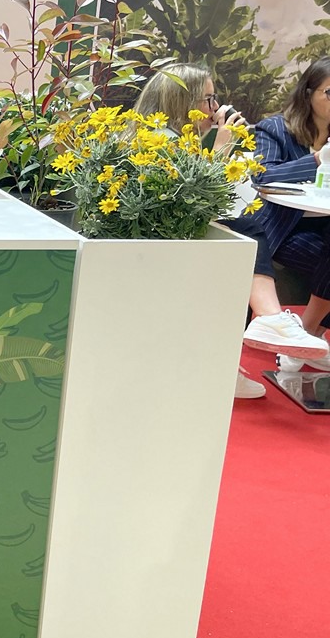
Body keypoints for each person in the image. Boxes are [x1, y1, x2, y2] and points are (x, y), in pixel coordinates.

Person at [134, 63, 329, 398]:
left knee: (242, 234)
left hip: (178, 232)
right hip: (157, 240)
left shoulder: (177, 137)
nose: (216, 108)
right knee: (244, 232)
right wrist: (223, 147)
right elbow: (189, 198)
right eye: (208, 99)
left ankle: (255, 339)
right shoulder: (159, 138)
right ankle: (265, 327)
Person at [253, 56, 330, 373]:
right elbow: (262, 175)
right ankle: (306, 337)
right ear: (309, 93)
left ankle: (307, 335)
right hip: (284, 228)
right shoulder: (276, 128)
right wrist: (316, 160)